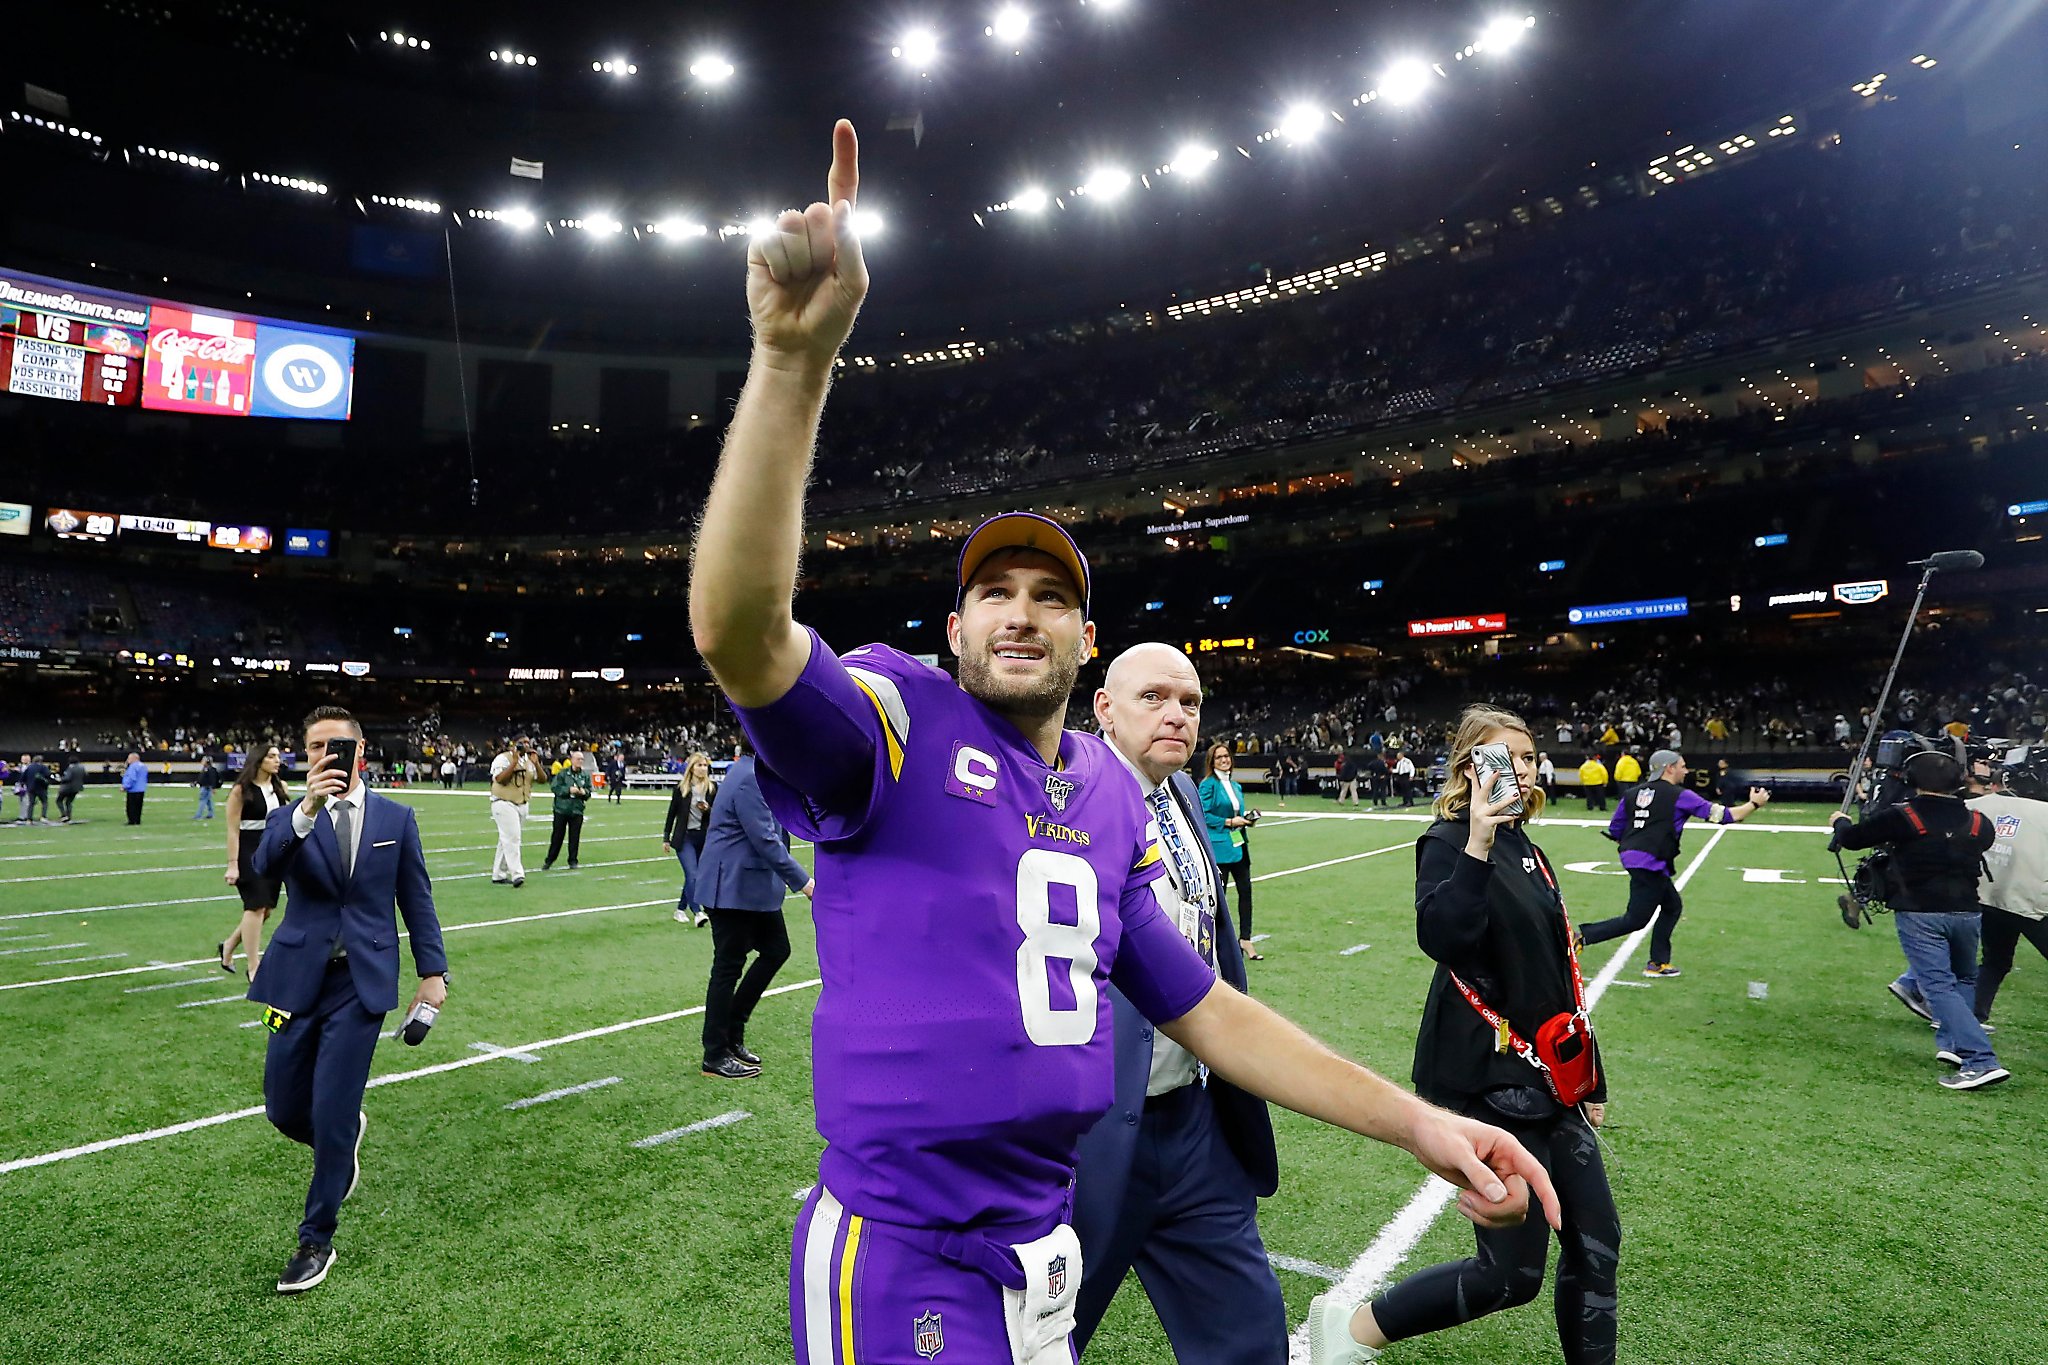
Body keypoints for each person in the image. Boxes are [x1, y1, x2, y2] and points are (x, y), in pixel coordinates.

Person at [688, 121, 1556, 1365]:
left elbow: (1204, 1009)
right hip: (904, 1250)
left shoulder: (1104, 789)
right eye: (995, 593)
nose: (1021, 611)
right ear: (954, 627)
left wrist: (1414, 1124)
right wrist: (789, 366)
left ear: (1084, 639)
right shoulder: (893, 718)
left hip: (1043, 1245)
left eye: (1049, 595)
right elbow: (736, 631)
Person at [1310, 706, 1619, 1365]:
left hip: (1544, 1077)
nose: (1522, 767)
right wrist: (1477, 838)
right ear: (1469, 768)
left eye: (1528, 755)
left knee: (1597, 1244)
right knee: (1510, 1276)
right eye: (1502, 757)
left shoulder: (1530, 849)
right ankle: (1351, 1331)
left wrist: (1589, 1074)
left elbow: (1555, 968)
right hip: (1490, 1075)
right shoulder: (1450, 839)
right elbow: (1442, 936)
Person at [1075, 645, 1283, 1362]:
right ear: (1104, 706)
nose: (1175, 714)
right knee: (1037, 1337)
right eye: (1153, 697)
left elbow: (1211, 939)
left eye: (1189, 702)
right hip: (1090, 1131)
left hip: (1195, 1122)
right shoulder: (1061, 794)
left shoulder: (1185, 794)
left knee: (1251, 1339)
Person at [249, 705, 448, 1292]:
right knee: (284, 1108)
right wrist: (306, 810)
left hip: (359, 984)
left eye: (334, 745)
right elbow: (263, 870)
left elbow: (418, 898)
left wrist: (433, 973)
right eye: (312, 747)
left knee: (333, 1109)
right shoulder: (293, 816)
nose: (322, 756)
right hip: (294, 980)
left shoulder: (396, 816)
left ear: (360, 752)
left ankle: (316, 1240)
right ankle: (341, 1140)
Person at [1833, 751, 2004, 1089]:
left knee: (1938, 986)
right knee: (1965, 980)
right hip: (1968, 911)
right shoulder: (1978, 821)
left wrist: (1840, 821)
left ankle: (1980, 1060)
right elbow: (1981, 843)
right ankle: (1953, 1046)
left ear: (1912, 782)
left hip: (1921, 912)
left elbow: (1851, 840)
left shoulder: (1903, 816)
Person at [1578, 750, 1769, 978]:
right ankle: (1582, 937)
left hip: (1637, 858)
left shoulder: (1631, 793)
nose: (1686, 771)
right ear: (1668, 768)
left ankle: (1658, 962)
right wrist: (1754, 804)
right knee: (1636, 919)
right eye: (1682, 766)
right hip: (1650, 861)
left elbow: (1616, 829)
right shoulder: (1680, 795)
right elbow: (1724, 816)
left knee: (1672, 906)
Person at [696, 752, 813, 1079]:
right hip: (731, 889)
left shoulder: (756, 772)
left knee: (777, 949)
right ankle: (715, 1055)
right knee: (727, 969)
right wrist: (806, 883)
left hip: (750, 888)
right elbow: (765, 838)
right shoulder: (749, 777)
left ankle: (732, 1032)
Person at [221, 745, 291, 979]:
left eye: (278, 757)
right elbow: (232, 830)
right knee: (256, 905)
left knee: (266, 909)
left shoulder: (280, 787)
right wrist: (233, 864)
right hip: (248, 850)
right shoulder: (241, 791)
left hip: (272, 850)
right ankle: (254, 966)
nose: (277, 760)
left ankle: (229, 946)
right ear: (258, 760)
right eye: (271, 756)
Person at [1202, 742, 1262, 963]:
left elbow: (1236, 813)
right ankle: (1217, 943)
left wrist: (1246, 819)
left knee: (1246, 892)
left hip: (1239, 844)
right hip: (1220, 847)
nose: (1224, 760)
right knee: (1220, 898)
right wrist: (1228, 821)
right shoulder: (1208, 785)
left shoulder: (1236, 786)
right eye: (1219, 757)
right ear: (1212, 761)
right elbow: (1204, 814)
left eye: (1226, 756)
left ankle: (1245, 939)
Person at [663, 752, 716, 926]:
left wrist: (707, 809)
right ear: (691, 768)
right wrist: (666, 837)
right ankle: (697, 912)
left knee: (694, 877)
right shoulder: (681, 789)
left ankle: (680, 909)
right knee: (692, 874)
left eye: (705, 765)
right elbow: (672, 814)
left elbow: (720, 814)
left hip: (704, 838)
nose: (702, 768)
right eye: (699, 765)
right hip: (684, 838)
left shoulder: (712, 788)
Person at [489, 735, 539, 888]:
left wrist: (537, 764)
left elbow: (542, 779)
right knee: (513, 838)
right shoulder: (503, 759)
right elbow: (500, 779)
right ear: (513, 744)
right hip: (503, 801)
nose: (525, 745)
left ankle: (498, 874)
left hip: (522, 802)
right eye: (522, 743)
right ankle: (517, 873)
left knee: (506, 839)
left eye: (527, 742)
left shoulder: (529, 761)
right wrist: (514, 762)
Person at [542, 749, 593, 871]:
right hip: (562, 809)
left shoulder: (584, 775)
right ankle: (549, 860)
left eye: (581, 759)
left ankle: (573, 860)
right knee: (557, 836)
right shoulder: (563, 773)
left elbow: (589, 791)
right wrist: (568, 790)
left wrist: (584, 792)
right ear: (572, 760)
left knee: (574, 837)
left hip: (577, 810)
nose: (580, 761)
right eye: (578, 759)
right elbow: (555, 787)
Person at [120, 752, 148, 825]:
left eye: (129, 758)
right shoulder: (143, 766)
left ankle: (132, 821)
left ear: (133, 758)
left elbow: (132, 778)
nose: (128, 760)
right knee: (139, 807)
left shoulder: (133, 766)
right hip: (141, 789)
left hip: (133, 790)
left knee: (131, 807)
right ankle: (137, 820)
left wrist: (125, 786)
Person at [56, 755, 86, 824]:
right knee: (69, 802)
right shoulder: (82, 767)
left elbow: (67, 778)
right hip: (77, 788)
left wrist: (60, 779)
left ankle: (64, 815)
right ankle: (68, 816)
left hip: (67, 788)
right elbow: (85, 775)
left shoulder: (71, 768)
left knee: (59, 800)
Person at [194, 755, 222, 821]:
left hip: (206, 787)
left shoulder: (209, 769)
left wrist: (213, 788)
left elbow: (212, 779)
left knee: (202, 801)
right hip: (205, 787)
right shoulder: (206, 769)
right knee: (208, 801)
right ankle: (211, 814)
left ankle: (198, 815)